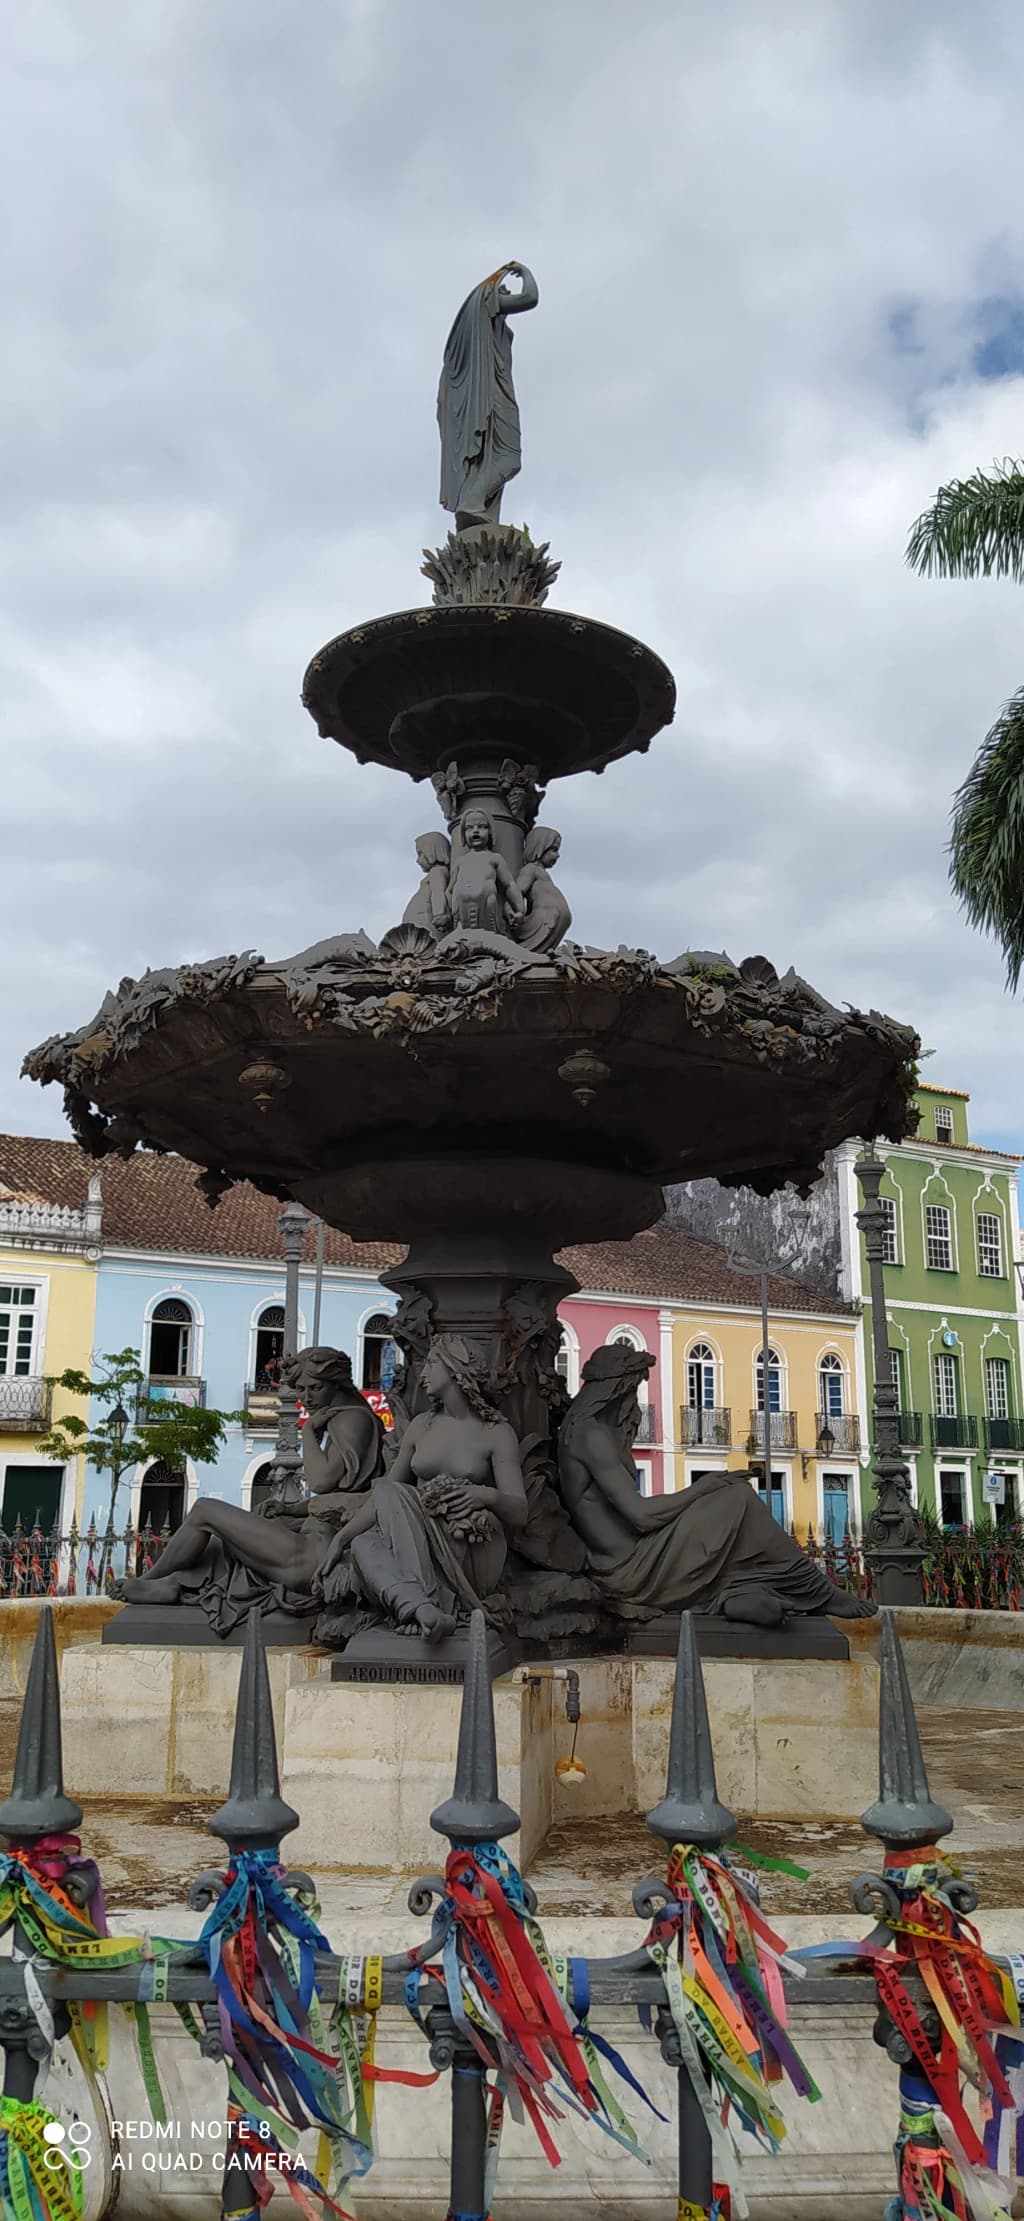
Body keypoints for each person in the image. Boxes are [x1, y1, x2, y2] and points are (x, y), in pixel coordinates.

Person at [558, 1346, 875, 1626]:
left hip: (632, 1557)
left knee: (729, 1508)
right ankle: (818, 1592)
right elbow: (640, 1515)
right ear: (617, 1390)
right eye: (633, 1391)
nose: (634, 1402)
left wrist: (704, 1492)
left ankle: (737, 1594)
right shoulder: (591, 1435)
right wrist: (703, 1487)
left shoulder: (583, 1432)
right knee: (738, 1499)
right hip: (632, 1568)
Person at [114, 1348, 385, 1634]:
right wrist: (290, 1509)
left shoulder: (351, 1419)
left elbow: (320, 1482)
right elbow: (346, 1497)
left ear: (337, 1383)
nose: (307, 1397)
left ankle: (151, 1579)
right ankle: (171, 1585)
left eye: (316, 1388)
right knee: (221, 1542)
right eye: (302, 1389)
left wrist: (307, 1433)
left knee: (205, 1511)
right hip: (308, 1547)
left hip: (310, 1558)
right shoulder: (353, 1417)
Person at [316, 1334, 527, 1641]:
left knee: (391, 1493)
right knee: (363, 1545)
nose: (423, 1373)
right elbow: (386, 1495)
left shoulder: (496, 1432)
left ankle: (423, 1602)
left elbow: (519, 1512)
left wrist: (485, 1495)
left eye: (431, 1363)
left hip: (466, 1543)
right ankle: (422, 1608)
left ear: (456, 1370)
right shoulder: (420, 1426)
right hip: (415, 1535)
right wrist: (342, 1538)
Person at [437, 262, 539, 530]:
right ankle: (470, 502)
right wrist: (524, 272)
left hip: (496, 390)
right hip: (491, 399)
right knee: (509, 456)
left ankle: (477, 508)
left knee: (493, 458)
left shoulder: (487, 340)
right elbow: (530, 298)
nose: (505, 297)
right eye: (502, 292)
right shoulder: (483, 305)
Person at [449, 808, 526, 937]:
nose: (475, 831)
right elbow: (450, 889)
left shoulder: (494, 858)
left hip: (486, 908)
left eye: (481, 827)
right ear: (463, 835)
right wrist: (450, 909)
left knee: (487, 938)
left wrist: (520, 909)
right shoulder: (460, 861)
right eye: (469, 828)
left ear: (490, 831)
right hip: (461, 911)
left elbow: (509, 884)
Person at [514, 826, 572, 952]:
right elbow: (518, 891)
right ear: (540, 847)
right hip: (543, 921)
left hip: (552, 923)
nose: (558, 855)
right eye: (554, 850)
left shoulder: (541, 872)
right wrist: (516, 911)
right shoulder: (530, 869)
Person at [402, 831, 452, 938]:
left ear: (431, 852)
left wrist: (440, 915)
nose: (417, 860)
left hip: (427, 927)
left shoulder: (437, 872)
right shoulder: (437, 872)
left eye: (420, 854)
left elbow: (438, 893)